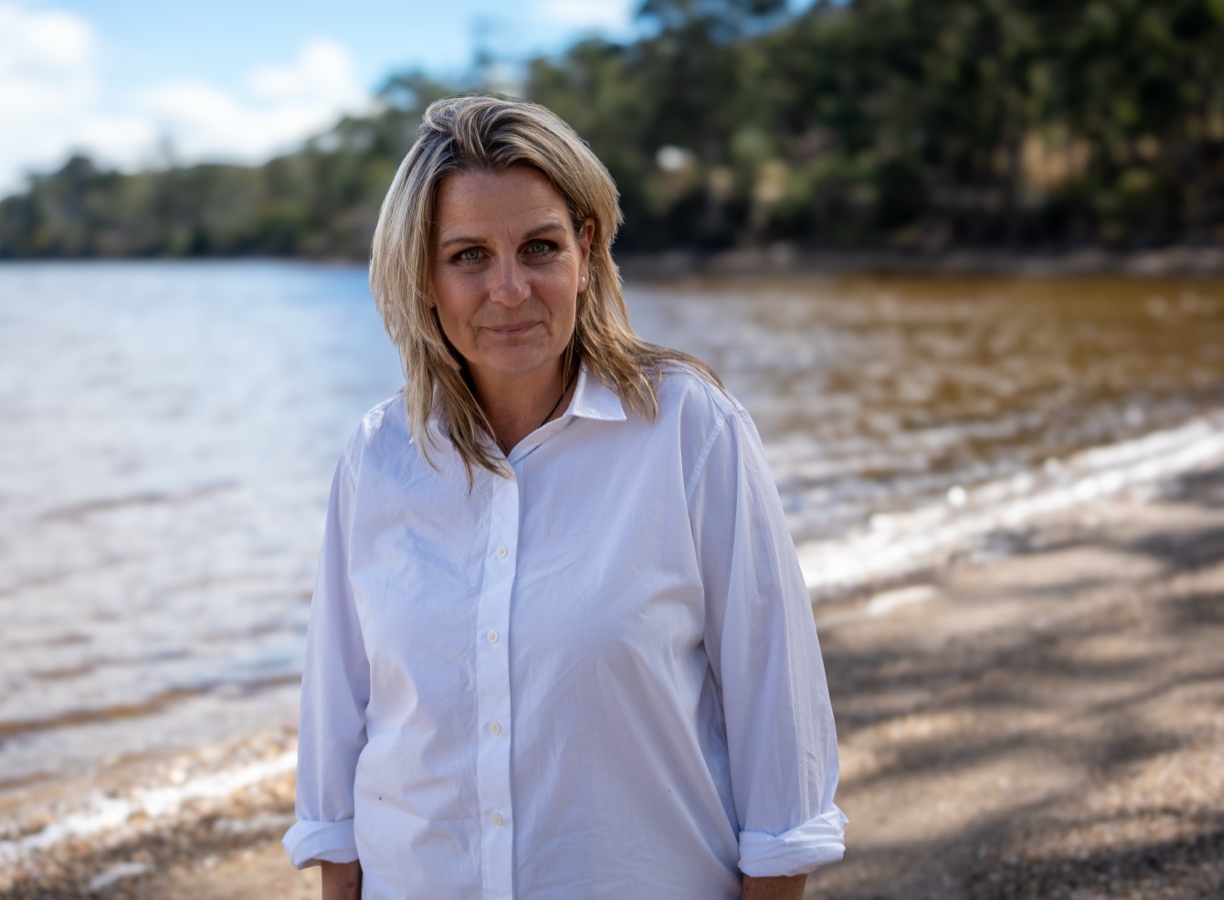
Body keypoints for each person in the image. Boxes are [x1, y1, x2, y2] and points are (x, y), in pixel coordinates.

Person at [282, 95, 846, 900]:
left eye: (538, 247)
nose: (509, 289)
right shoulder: (378, 457)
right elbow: (339, 742)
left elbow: (779, 739)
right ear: (424, 277)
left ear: (585, 251)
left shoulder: (690, 430)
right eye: (469, 256)